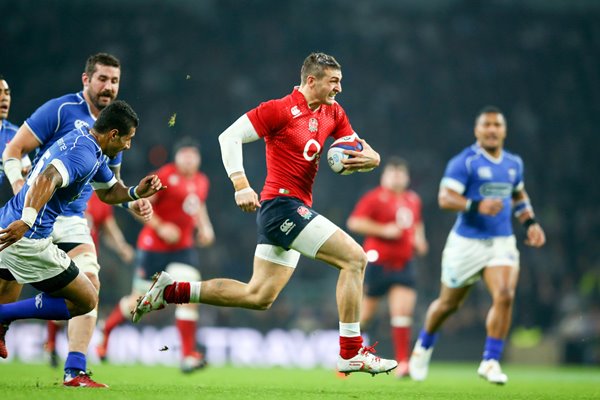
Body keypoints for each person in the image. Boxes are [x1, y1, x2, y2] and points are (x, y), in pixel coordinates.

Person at [132, 52, 398, 376]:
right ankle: (351, 352)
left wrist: (373, 159)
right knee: (355, 259)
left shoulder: (333, 112)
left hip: (293, 209)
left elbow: (359, 148)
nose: (339, 88)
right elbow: (228, 137)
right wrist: (241, 184)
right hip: (281, 207)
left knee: (258, 295)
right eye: (334, 81)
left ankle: (173, 290)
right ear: (311, 81)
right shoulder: (279, 109)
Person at [1, 53, 152, 387]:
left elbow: (108, 189)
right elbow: (16, 152)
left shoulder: (106, 134)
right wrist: (24, 202)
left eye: (114, 81)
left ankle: (75, 368)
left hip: (69, 218)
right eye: (103, 79)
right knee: (17, 290)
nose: (109, 87)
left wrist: (135, 197)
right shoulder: (61, 112)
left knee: (89, 286)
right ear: (87, 80)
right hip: (33, 214)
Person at [408, 106, 546, 385]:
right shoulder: (465, 162)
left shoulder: (513, 163)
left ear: (504, 131)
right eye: (487, 125)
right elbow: (445, 198)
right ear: (477, 130)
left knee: (505, 293)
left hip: (501, 241)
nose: (492, 129)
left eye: (497, 125)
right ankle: (423, 347)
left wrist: (530, 223)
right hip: (466, 243)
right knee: (447, 305)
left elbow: (518, 195)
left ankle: (490, 360)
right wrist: (475, 204)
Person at [97, 137, 214, 373]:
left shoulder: (202, 180)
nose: (190, 159)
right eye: (185, 154)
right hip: (153, 248)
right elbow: (138, 207)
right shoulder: (163, 178)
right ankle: (107, 330)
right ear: (177, 157)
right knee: (139, 304)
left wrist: (205, 227)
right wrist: (160, 227)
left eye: (194, 155)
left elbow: (198, 205)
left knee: (189, 293)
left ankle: (188, 355)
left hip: (182, 249)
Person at [346, 156, 428, 377]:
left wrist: (420, 239)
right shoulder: (373, 198)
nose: (397, 177)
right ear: (384, 176)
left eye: (401, 173)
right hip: (378, 263)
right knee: (365, 316)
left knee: (402, 313)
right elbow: (355, 222)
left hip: (404, 263)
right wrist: (384, 230)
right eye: (393, 173)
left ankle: (403, 363)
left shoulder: (413, 199)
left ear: (407, 177)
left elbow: (416, 223)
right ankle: (348, 356)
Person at [45, 191, 136, 367]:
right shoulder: (66, 189)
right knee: (62, 303)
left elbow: (109, 230)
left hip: (86, 260)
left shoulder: (101, 196)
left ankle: (74, 361)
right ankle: (52, 345)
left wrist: (122, 247)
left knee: (86, 299)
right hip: (60, 255)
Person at [0, 76, 31, 200]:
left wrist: (27, 173)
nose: (4, 97)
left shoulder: (13, 134)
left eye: (7, 93)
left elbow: (26, 170)